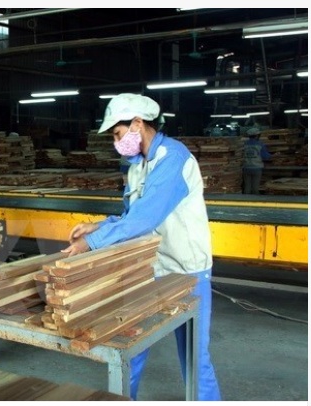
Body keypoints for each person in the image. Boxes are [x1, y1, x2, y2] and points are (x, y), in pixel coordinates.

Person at [61, 94, 221, 401]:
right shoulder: (137, 166)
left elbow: (144, 219)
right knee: (130, 350)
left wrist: (90, 244)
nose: (116, 142)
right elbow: (130, 216)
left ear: (137, 123)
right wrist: (99, 226)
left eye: (117, 134)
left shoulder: (173, 158)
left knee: (194, 358)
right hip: (150, 269)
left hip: (186, 271)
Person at [243, 127, 272, 194]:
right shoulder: (260, 144)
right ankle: (255, 199)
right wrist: (273, 155)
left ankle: (246, 198)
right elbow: (265, 157)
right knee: (255, 187)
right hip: (257, 168)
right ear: (257, 136)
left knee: (247, 187)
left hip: (246, 167)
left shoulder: (244, 144)